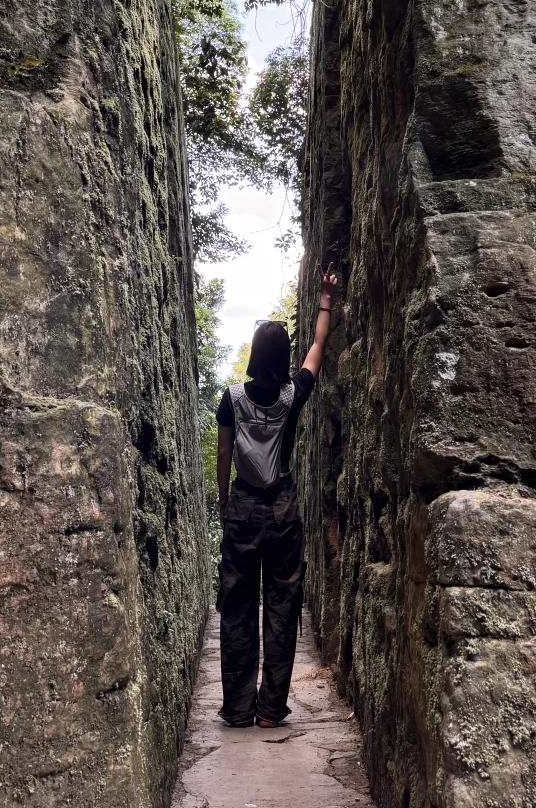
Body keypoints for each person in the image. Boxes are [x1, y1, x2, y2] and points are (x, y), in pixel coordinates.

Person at [214, 264, 339, 728]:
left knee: (238, 606)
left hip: (243, 508)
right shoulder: (293, 394)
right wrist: (325, 300)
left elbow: (224, 452)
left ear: (253, 354)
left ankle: (237, 708)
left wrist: (224, 500)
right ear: (283, 355)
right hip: (283, 509)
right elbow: (318, 347)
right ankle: (270, 710)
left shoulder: (231, 398)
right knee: (283, 606)